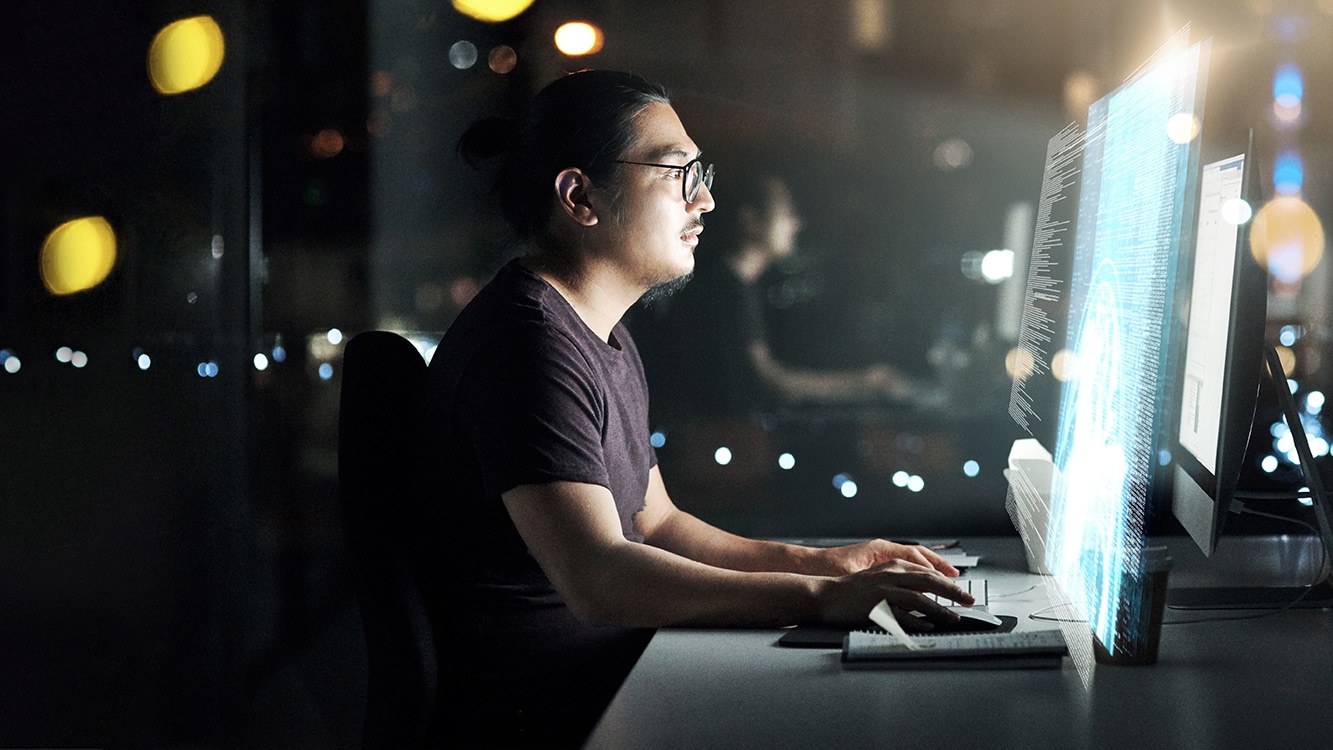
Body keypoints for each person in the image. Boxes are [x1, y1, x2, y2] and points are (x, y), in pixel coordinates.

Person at [423, 69, 973, 748]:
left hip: (612, 678)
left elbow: (656, 525)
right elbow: (599, 578)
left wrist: (826, 565)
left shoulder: (602, 333)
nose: (705, 199)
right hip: (550, 715)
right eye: (677, 172)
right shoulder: (527, 346)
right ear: (579, 196)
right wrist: (820, 601)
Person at [656, 170, 909, 417]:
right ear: (751, 220)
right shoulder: (725, 290)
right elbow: (772, 382)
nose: (796, 224)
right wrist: (864, 383)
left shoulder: (736, 283)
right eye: (786, 213)